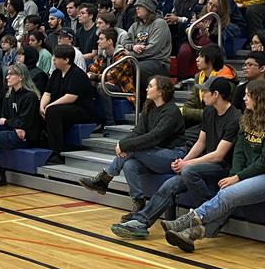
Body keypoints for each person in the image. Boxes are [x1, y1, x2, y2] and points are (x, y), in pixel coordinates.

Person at [162, 79, 265, 252]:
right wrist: (235, 174)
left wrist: (238, 177)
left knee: (228, 193)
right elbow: (238, 152)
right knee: (228, 192)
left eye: (248, 95)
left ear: (261, 98)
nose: (244, 98)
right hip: (249, 173)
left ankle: (188, 220)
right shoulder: (247, 119)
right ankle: (191, 234)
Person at [111, 77, 241, 237]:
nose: (202, 94)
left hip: (222, 166)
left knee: (187, 172)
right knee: (169, 185)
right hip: (204, 162)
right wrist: (184, 161)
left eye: (205, 91)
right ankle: (141, 223)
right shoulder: (209, 111)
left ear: (216, 95)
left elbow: (219, 155)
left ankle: (212, 211)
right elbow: (201, 143)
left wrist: (188, 164)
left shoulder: (235, 118)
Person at [78, 76, 186, 210]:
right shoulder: (149, 107)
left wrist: (125, 146)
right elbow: (138, 132)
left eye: (150, 86)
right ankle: (138, 205)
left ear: (160, 92)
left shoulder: (171, 111)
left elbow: (154, 137)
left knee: (134, 149)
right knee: (130, 164)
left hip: (173, 156)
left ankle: (105, 178)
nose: (146, 88)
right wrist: (121, 144)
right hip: (154, 153)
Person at [0, 64, 42, 187]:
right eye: (7, 74)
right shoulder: (8, 95)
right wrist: (11, 123)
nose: (7, 77)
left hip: (27, 135)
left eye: (11, 74)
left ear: (21, 77)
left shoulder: (30, 96)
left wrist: (8, 122)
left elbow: (24, 122)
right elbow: (2, 118)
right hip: (13, 130)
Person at [40, 44, 96, 164]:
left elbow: (70, 97)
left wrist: (50, 106)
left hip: (82, 110)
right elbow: (47, 93)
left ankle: (58, 153)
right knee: (43, 109)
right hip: (62, 108)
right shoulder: (56, 74)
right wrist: (42, 106)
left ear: (66, 60)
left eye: (56, 58)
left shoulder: (77, 74)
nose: (53, 60)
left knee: (53, 111)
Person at [124, 0, 172, 104]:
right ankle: (130, 100)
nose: (137, 9)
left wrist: (130, 54)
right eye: (136, 6)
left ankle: (141, 103)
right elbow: (124, 42)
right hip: (139, 60)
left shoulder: (160, 24)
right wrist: (133, 47)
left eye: (140, 6)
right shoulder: (136, 25)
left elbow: (152, 49)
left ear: (148, 8)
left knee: (137, 68)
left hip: (159, 63)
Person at [180, 44, 237, 126]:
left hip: (217, 123)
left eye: (201, 56)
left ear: (211, 60)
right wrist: (182, 110)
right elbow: (193, 100)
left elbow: (216, 111)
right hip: (202, 119)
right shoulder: (199, 76)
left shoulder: (225, 81)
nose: (197, 59)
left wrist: (186, 112)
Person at [87, 28, 132, 129]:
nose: (98, 41)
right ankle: (94, 120)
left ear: (110, 41)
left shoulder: (123, 56)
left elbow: (114, 77)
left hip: (123, 87)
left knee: (101, 87)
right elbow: (93, 70)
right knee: (88, 85)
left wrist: (94, 76)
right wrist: (93, 76)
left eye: (101, 39)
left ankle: (110, 122)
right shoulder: (102, 55)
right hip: (107, 83)